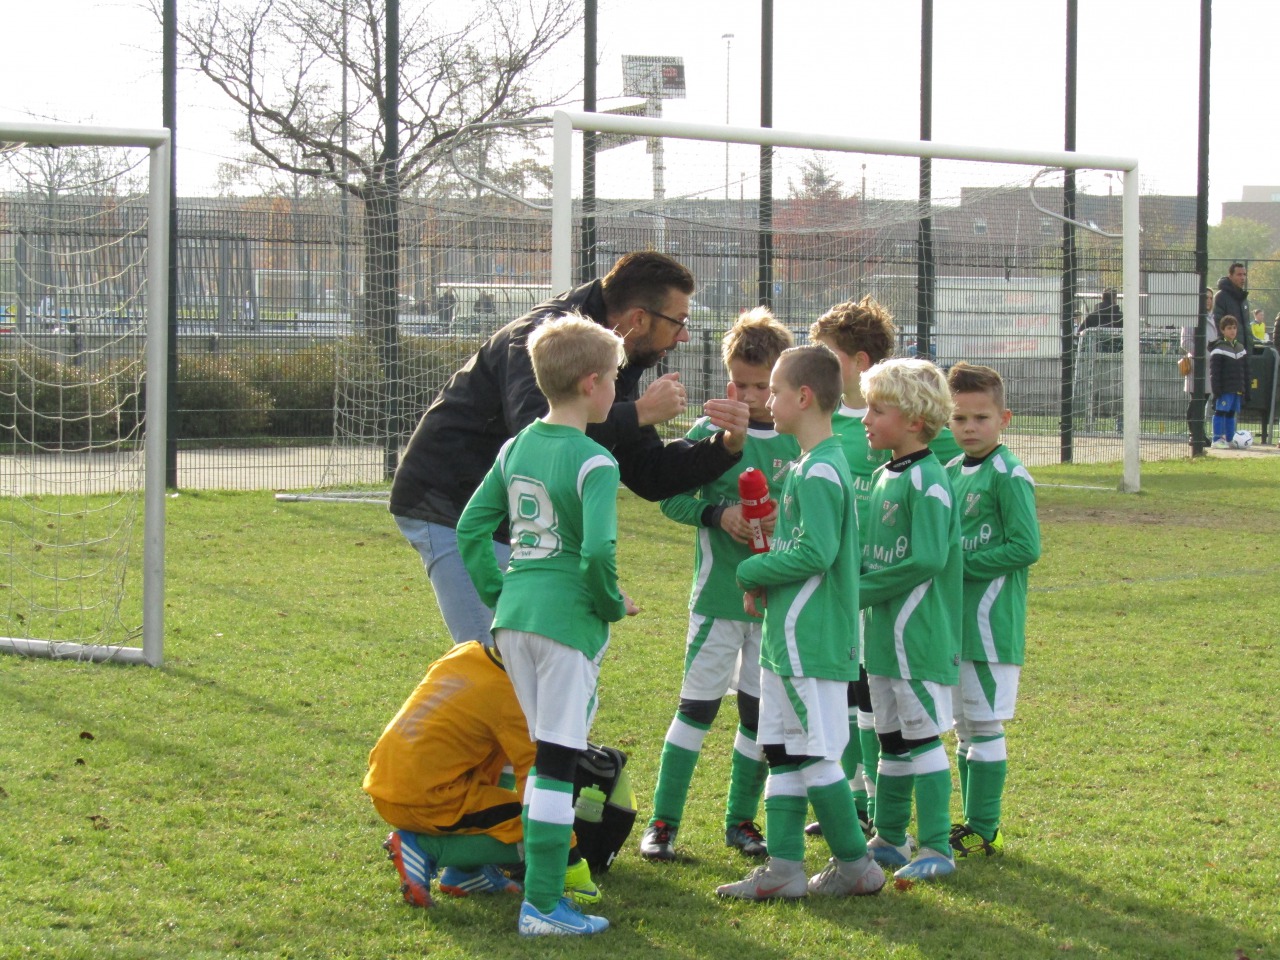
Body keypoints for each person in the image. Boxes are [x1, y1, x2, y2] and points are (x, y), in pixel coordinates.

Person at [391, 252, 749, 649]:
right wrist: (638, 412)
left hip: (519, 520)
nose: (683, 335)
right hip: (449, 503)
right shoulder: (546, 337)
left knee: (528, 663)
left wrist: (725, 445)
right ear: (639, 319)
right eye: (679, 321)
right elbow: (538, 435)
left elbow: (647, 473)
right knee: (492, 665)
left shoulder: (615, 354)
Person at [456, 314, 633, 937]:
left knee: (543, 757)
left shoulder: (516, 446)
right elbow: (596, 555)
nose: (619, 388)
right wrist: (611, 604)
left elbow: (471, 530)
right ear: (590, 383)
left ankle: (535, 889)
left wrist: (503, 593)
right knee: (557, 762)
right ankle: (543, 905)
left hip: (515, 622)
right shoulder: (596, 462)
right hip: (564, 626)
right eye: (615, 377)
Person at [715, 344, 885, 902]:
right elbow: (799, 548)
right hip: (788, 638)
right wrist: (767, 581)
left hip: (810, 640)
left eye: (775, 391)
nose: (766, 400)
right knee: (785, 749)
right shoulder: (810, 464)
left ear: (804, 398)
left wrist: (752, 570)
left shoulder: (821, 470)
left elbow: (816, 552)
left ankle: (856, 866)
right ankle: (785, 868)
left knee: (814, 752)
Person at [639, 308, 799, 864]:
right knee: (696, 710)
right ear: (728, 379)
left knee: (758, 716)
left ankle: (740, 821)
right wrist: (719, 515)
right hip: (718, 599)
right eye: (743, 382)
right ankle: (663, 823)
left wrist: (790, 522)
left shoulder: (799, 441)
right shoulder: (713, 434)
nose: (752, 395)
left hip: (772, 604)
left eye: (764, 385)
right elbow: (672, 497)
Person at [366, 641, 601, 909]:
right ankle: (423, 848)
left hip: (386, 780)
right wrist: (569, 855)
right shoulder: (513, 699)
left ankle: (467, 872)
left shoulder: (467, 651)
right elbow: (537, 788)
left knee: (497, 769)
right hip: (426, 798)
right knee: (536, 828)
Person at [858, 357, 962, 881]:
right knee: (890, 739)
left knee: (922, 739)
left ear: (915, 419)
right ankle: (890, 836)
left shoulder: (930, 481)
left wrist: (859, 590)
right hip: (881, 637)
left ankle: (939, 848)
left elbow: (927, 560)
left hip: (917, 636)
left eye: (878, 409)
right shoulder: (880, 477)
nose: (865, 418)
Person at [943, 363, 1041, 860]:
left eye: (980, 417)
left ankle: (987, 827)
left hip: (989, 625)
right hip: (955, 626)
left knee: (984, 726)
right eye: (959, 418)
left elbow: (1026, 547)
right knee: (965, 727)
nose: (969, 427)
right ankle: (974, 823)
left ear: (1003, 418)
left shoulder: (1008, 474)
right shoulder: (950, 473)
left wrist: (963, 565)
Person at [807, 296, 895, 834]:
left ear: (860, 363)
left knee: (873, 700)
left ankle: (879, 809)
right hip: (837, 585)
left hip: (879, 585)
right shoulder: (829, 425)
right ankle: (854, 799)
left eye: (827, 356)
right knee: (845, 693)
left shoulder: (891, 425)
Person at [1181, 288, 1218, 446]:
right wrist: (1202, 353)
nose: (1208, 301)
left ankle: (1199, 433)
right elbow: (1185, 342)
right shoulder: (1192, 318)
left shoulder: (1214, 318)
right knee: (1196, 401)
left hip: (1210, 366)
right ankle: (1194, 433)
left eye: (1210, 298)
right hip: (1197, 365)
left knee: (1203, 400)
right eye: (1205, 298)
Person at [1209, 315, 1249, 449]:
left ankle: (1229, 439)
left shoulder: (1240, 348)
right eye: (1229, 328)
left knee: (1231, 413)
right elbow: (1215, 372)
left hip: (1236, 388)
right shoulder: (1218, 348)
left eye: (1234, 328)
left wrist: (1245, 388)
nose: (1232, 331)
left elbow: (1245, 370)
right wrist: (1217, 390)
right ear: (1222, 330)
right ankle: (1216, 439)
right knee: (1220, 411)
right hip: (1224, 388)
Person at [1214, 262, 1254, 355]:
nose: (1243, 278)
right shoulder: (1221, 297)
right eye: (1239, 274)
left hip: (1245, 351)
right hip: (1230, 352)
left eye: (1244, 274)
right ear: (1230, 276)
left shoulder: (1243, 299)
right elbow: (1219, 324)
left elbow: (1246, 326)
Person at [1077, 288, 1123, 352]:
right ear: (1115, 299)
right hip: (1117, 352)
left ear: (1102, 298)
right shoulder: (1120, 317)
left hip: (1094, 351)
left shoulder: (1092, 316)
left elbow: (1079, 333)